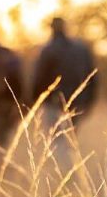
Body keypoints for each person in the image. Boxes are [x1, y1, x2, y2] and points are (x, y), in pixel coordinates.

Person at [31, 17, 97, 152]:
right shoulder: (81, 49)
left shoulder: (48, 50)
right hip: (78, 102)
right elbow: (93, 77)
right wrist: (89, 100)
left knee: (56, 141)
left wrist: (34, 101)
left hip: (53, 102)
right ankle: (70, 161)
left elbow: (39, 78)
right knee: (70, 138)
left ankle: (63, 163)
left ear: (52, 29)